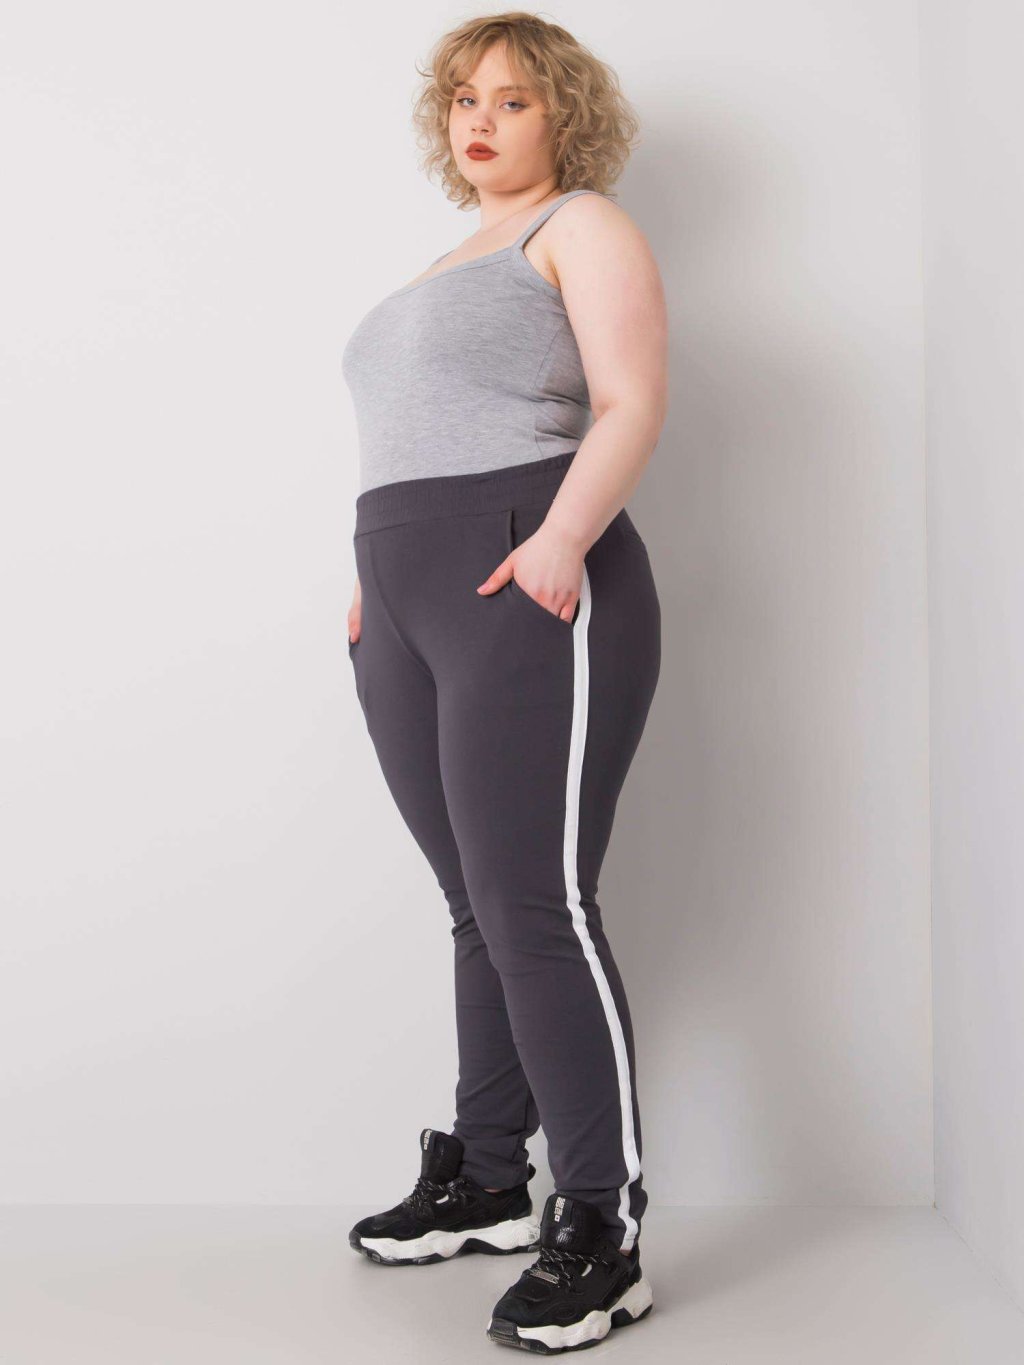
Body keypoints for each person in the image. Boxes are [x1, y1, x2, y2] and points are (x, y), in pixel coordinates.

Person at [341, 12, 667, 1353]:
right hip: (402, 603)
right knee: (475, 906)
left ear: (563, 117)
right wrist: (371, 585)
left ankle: (602, 1225)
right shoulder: (442, 264)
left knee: (537, 904)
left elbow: (630, 399)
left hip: (528, 574)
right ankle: (486, 1175)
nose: (481, 119)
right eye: (464, 98)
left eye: (514, 100)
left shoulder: (582, 225)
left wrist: (559, 542)